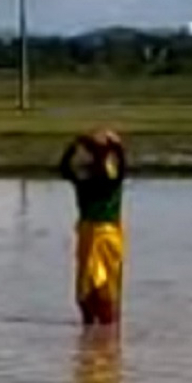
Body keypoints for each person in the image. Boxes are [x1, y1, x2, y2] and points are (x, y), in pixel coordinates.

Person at [60, 130, 126, 326]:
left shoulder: (104, 179)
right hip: (92, 234)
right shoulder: (89, 178)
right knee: (88, 289)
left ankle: (101, 330)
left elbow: (65, 169)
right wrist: (115, 148)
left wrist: (74, 146)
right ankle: (96, 331)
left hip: (106, 235)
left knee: (103, 288)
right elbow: (65, 170)